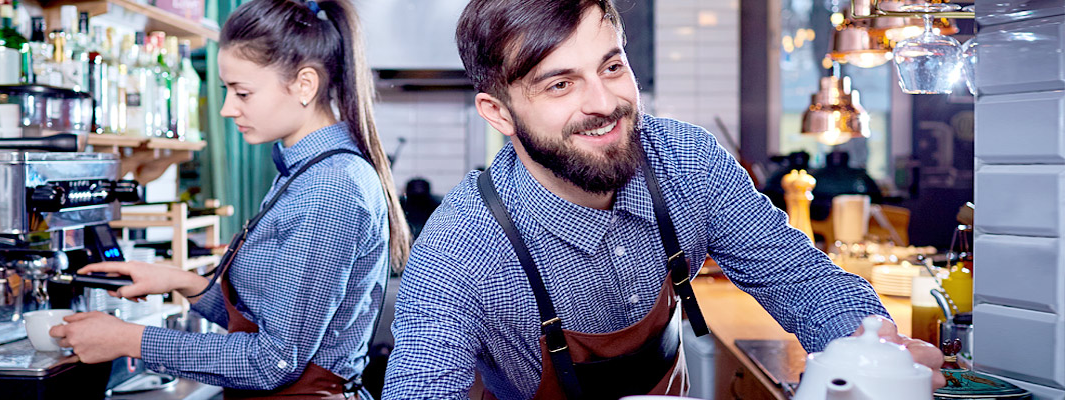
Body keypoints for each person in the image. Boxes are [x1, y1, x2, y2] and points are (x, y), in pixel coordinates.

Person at [381, 0, 944, 398]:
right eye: (560, 84)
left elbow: (799, 279)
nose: (604, 103)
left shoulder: (685, 162)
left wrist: (873, 349)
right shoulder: (458, 251)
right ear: (498, 112)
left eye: (611, 67)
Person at [48, 1, 409, 398]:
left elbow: (272, 361)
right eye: (227, 90)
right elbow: (273, 321)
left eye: (243, 93)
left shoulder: (329, 188)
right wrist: (182, 282)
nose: (226, 109)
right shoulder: (306, 170)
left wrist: (127, 339)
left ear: (305, 85)